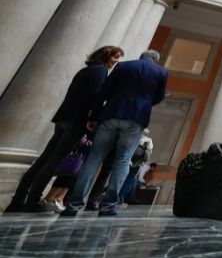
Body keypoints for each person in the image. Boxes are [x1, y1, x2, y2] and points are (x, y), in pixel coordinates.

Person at [4, 46, 122, 213]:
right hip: (77, 121)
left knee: (44, 160)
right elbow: (94, 98)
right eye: (115, 57)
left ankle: (17, 200)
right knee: (53, 162)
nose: (116, 61)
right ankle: (32, 200)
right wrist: (92, 119)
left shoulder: (86, 70)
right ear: (107, 56)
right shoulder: (100, 72)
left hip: (64, 118)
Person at [61, 50, 167, 217]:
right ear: (156, 60)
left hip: (111, 114)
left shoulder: (123, 66)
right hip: (136, 119)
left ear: (141, 57)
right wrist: (144, 101)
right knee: (123, 160)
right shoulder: (161, 72)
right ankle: (109, 205)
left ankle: (73, 204)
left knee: (93, 159)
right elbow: (158, 97)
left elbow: (104, 91)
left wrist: (94, 115)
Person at [120, 129, 153, 205]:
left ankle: (118, 198)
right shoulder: (148, 141)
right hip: (137, 164)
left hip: (128, 162)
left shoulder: (134, 137)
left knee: (123, 180)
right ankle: (121, 198)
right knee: (129, 181)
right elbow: (148, 155)